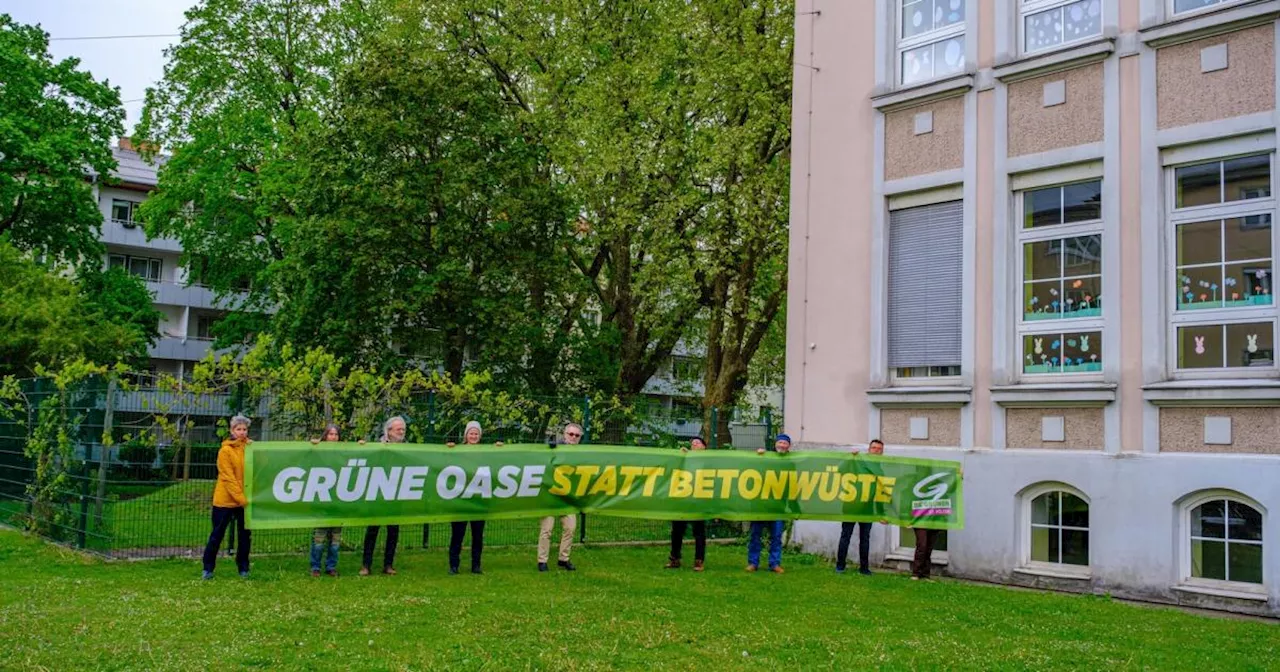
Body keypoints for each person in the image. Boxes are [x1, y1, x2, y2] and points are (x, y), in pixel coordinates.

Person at [201, 415, 253, 579]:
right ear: (232, 430)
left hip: (244, 501)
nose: (242, 432)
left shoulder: (251, 449)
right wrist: (241, 498)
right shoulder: (225, 450)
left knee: (245, 536)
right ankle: (208, 568)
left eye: (244, 429)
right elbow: (228, 477)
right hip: (225, 500)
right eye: (238, 429)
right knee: (217, 534)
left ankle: (243, 567)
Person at [360, 416, 406, 576]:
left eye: (403, 429)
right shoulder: (377, 446)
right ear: (389, 431)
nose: (401, 432)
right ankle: (366, 565)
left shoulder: (407, 449)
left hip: (396, 494)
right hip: (378, 494)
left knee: (393, 530)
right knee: (373, 529)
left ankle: (388, 564)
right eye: (398, 429)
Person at [836, 439, 886, 576]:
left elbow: (880, 493)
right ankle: (840, 566)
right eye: (874, 448)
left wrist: (881, 514)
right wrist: (849, 457)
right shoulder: (858, 461)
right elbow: (840, 470)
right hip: (851, 506)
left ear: (882, 452)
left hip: (867, 509)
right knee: (845, 536)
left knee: (865, 538)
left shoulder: (880, 469)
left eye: (879, 449)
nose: (876, 450)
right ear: (869, 450)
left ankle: (864, 568)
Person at [538, 423, 582, 572]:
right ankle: (542, 561)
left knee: (570, 528)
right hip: (550, 495)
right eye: (571, 434)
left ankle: (564, 559)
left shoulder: (584, 453)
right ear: (564, 434)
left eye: (577, 435)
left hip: (568, 497)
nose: (573, 437)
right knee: (547, 529)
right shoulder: (554, 448)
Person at [747, 434, 791, 574]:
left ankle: (774, 563)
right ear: (775, 444)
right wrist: (758, 456)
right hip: (761, 504)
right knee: (755, 534)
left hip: (778, 506)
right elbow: (752, 470)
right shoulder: (765, 456)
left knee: (776, 536)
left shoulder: (791, 461)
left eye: (785, 443)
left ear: (789, 446)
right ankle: (753, 562)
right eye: (780, 442)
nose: (782, 445)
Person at [447, 421, 487, 575]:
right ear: (466, 435)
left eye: (476, 433)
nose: (474, 436)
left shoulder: (486, 452)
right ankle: (454, 565)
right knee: (457, 534)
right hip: (460, 498)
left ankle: (476, 565)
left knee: (477, 535)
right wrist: (449, 450)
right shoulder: (457, 450)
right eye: (471, 433)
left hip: (478, 499)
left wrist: (499, 448)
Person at [667, 436, 709, 571]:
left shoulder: (709, 461)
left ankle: (699, 560)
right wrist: (679, 456)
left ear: (704, 447)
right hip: (683, 500)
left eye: (698, 443)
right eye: (693, 443)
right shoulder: (685, 458)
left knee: (699, 532)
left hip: (699, 501)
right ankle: (675, 558)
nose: (694, 445)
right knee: (677, 531)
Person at [308, 424, 343, 577]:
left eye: (336, 434)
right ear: (325, 436)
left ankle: (331, 566)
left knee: (335, 540)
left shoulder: (345, 452)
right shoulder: (319, 451)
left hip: (339, 501)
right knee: (319, 539)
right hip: (322, 501)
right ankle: (315, 567)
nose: (333, 437)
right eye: (330, 434)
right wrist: (313, 446)